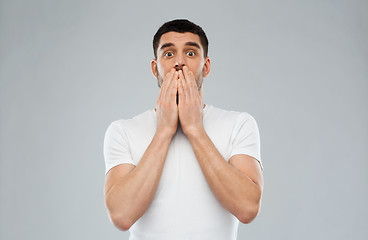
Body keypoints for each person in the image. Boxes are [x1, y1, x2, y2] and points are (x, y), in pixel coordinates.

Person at [103, 19, 264, 240]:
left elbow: (247, 209)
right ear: (155, 67)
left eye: (190, 53)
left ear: (205, 66)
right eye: (168, 54)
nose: (179, 62)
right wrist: (163, 132)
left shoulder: (239, 124)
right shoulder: (123, 130)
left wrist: (195, 129)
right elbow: (121, 216)